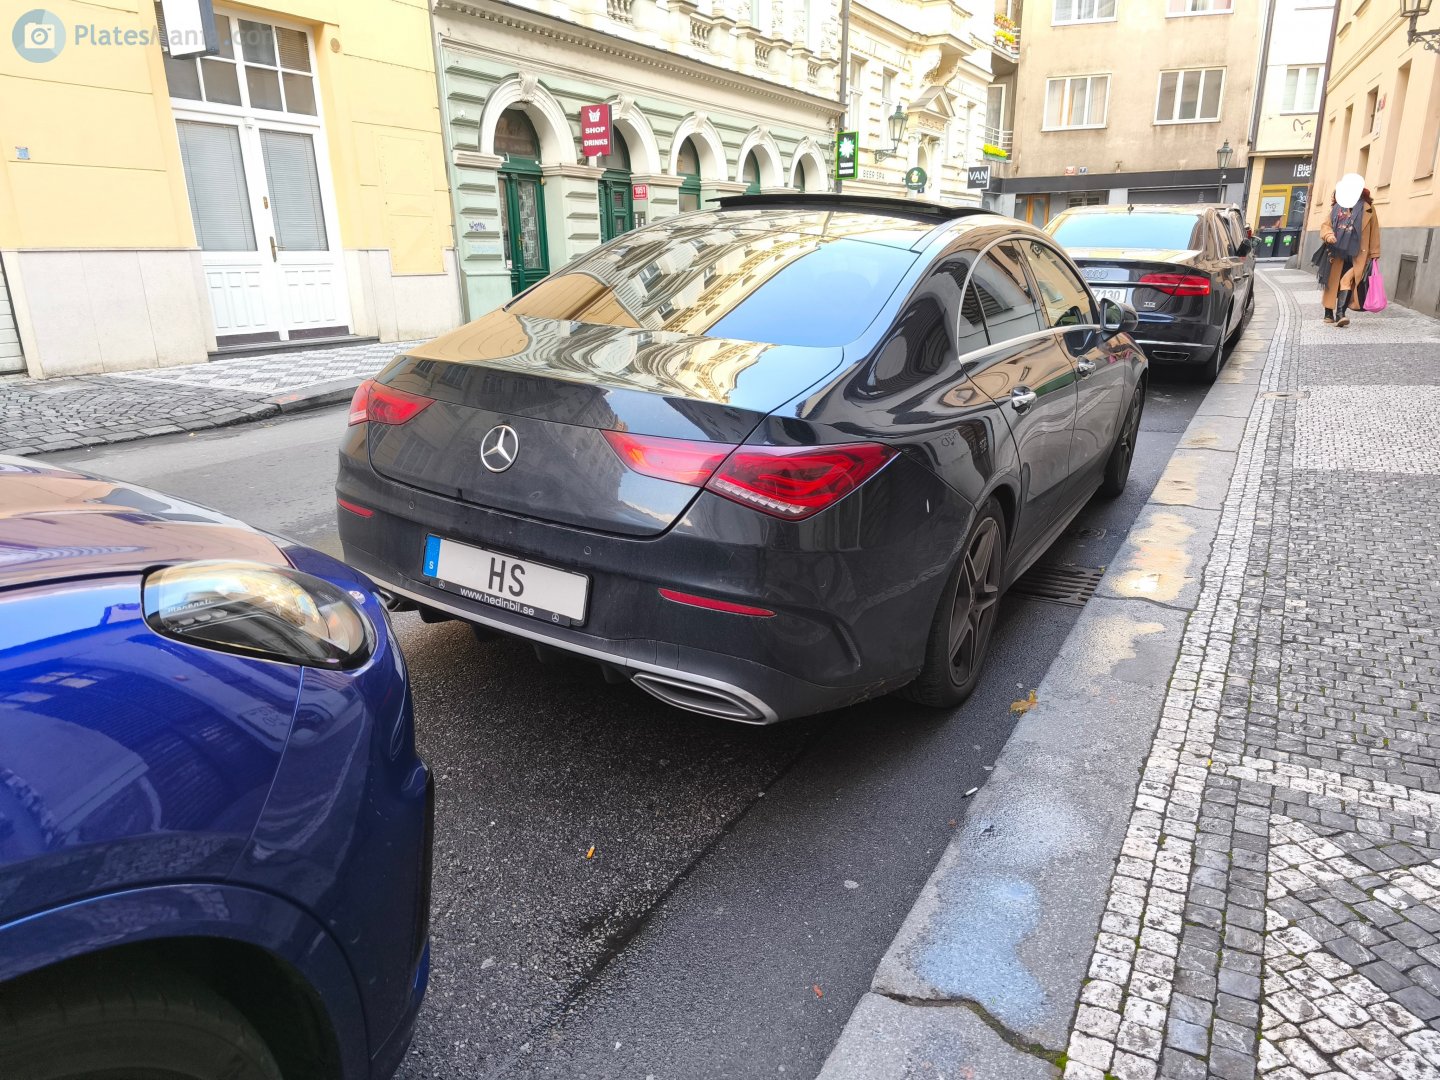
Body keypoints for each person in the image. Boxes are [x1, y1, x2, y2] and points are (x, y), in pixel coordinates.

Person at [1318, 173, 1382, 327]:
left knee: (1346, 280)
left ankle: (1340, 314)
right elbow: (1325, 225)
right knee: (1332, 283)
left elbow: (1374, 231)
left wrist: (1375, 254)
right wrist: (1328, 235)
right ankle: (1328, 312)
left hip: (1358, 254)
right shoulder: (1337, 208)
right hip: (1337, 252)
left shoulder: (1368, 209)